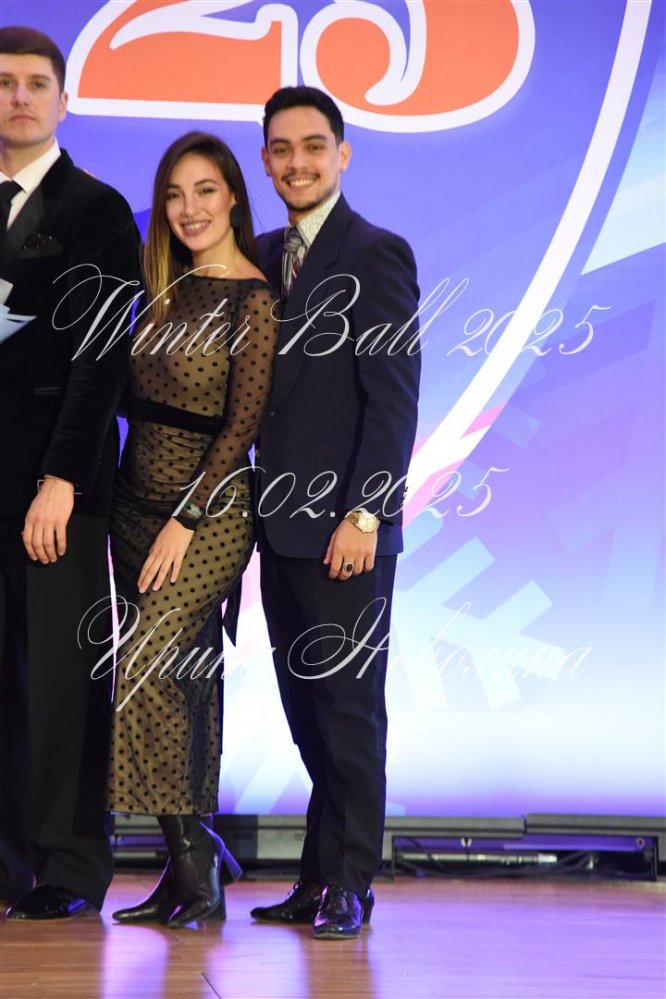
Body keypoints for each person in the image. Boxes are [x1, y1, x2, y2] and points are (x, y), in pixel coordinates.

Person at [251, 86, 421, 939]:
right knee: (306, 713)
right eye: (282, 149)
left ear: (343, 154)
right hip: (277, 528)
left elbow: (393, 398)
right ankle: (318, 877)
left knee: (351, 713)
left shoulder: (376, 252)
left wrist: (365, 514)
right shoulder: (259, 255)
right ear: (265, 159)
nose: (298, 162)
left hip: (347, 532)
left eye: (313, 146)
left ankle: (352, 884)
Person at [107, 131, 279, 928]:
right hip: (132, 503)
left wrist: (185, 516)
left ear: (234, 196)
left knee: (145, 668)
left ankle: (197, 862)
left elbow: (242, 426)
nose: (189, 208)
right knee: (183, 680)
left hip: (208, 512)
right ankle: (187, 869)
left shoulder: (254, 299)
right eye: (174, 194)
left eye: (205, 190)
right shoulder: (161, 289)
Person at [0, 27, 142, 919]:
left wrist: (62, 480)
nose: (17, 97)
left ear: (64, 100)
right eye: (2, 83)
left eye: (34, 83)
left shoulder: (96, 209)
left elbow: (100, 360)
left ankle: (70, 863)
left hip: (58, 486)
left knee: (61, 679)